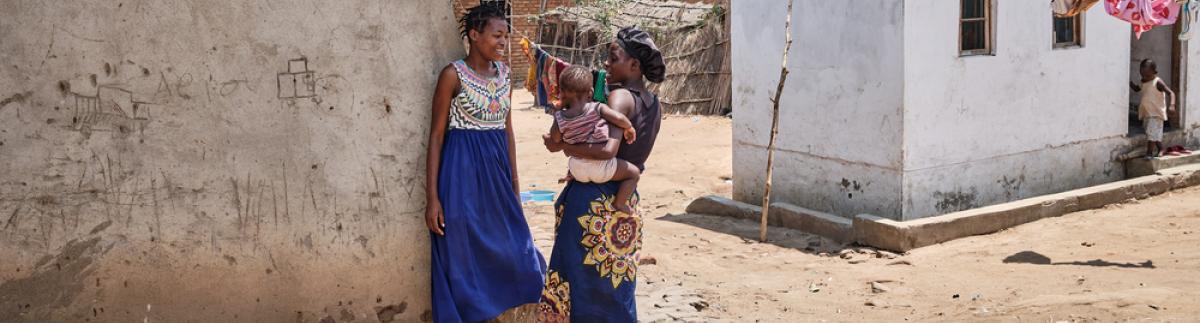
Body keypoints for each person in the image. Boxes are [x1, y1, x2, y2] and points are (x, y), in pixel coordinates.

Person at [425, 2, 544, 322]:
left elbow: (508, 130)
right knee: (461, 246)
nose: (503, 42)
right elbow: (436, 137)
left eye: (506, 36)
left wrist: (515, 184)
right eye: (497, 35)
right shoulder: (452, 75)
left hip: (496, 170)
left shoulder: (506, 75)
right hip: (460, 170)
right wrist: (432, 198)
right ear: (475, 35)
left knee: (516, 244)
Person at [538, 26, 665, 323]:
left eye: (613, 57)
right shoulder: (654, 104)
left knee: (580, 282)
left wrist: (566, 147)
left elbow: (607, 149)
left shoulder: (619, 97)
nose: (606, 65)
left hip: (594, 202)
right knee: (616, 282)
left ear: (633, 65)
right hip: (626, 203)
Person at [547, 65, 640, 214]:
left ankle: (569, 176)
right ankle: (620, 204)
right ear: (590, 93)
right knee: (634, 173)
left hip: (576, 169)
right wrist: (629, 127)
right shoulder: (597, 108)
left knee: (576, 161)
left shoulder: (560, 117)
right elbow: (618, 118)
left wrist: (558, 113)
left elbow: (555, 138)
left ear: (562, 93)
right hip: (602, 167)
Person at [1130, 58, 1177, 158]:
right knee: (1152, 133)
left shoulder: (1158, 82)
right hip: (1147, 112)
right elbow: (1137, 89)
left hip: (1156, 113)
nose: (1144, 76)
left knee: (1151, 133)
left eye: (1147, 74)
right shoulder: (1143, 81)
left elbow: (1171, 93)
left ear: (1154, 72)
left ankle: (1149, 153)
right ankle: (1161, 148)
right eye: (1142, 74)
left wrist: (1172, 105)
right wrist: (1129, 83)